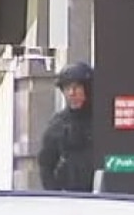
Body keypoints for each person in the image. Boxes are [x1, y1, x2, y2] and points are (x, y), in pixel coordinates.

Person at [37, 62, 95, 192]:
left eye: (77, 87)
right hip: (69, 198)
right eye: (67, 89)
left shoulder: (103, 121)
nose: (72, 93)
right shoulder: (58, 124)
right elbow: (45, 165)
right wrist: (56, 196)